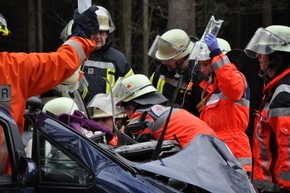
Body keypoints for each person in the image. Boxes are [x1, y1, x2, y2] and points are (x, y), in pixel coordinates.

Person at [0, 5, 100, 174]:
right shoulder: (12, 69)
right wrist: (81, 36)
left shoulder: (13, 68)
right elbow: (62, 63)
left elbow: (60, 63)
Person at [111, 74, 216, 149]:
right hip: (214, 144)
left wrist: (103, 141)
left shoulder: (144, 116)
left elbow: (120, 142)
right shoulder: (166, 111)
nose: (128, 116)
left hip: (199, 149)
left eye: (125, 109)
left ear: (130, 105)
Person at [196, 35, 252, 173]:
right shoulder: (212, 90)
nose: (202, 70)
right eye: (200, 65)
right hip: (218, 151)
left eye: (206, 64)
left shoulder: (236, 79)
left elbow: (230, 83)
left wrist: (217, 55)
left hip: (234, 152)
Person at [244, 25, 290, 192]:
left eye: (262, 50)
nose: (257, 56)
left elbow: (288, 148)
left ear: (275, 55)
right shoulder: (275, 89)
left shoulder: (283, 94)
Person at [74, 5, 134, 109]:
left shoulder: (118, 59)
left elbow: (131, 89)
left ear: (107, 34)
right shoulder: (78, 55)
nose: (97, 36)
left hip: (109, 118)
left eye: (101, 32)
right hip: (80, 115)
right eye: (94, 32)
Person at [149, 29, 207, 117]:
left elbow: (206, 115)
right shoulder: (160, 72)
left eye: (169, 59)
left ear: (183, 57)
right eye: (163, 59)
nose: (164, 63)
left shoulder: (198, 76)